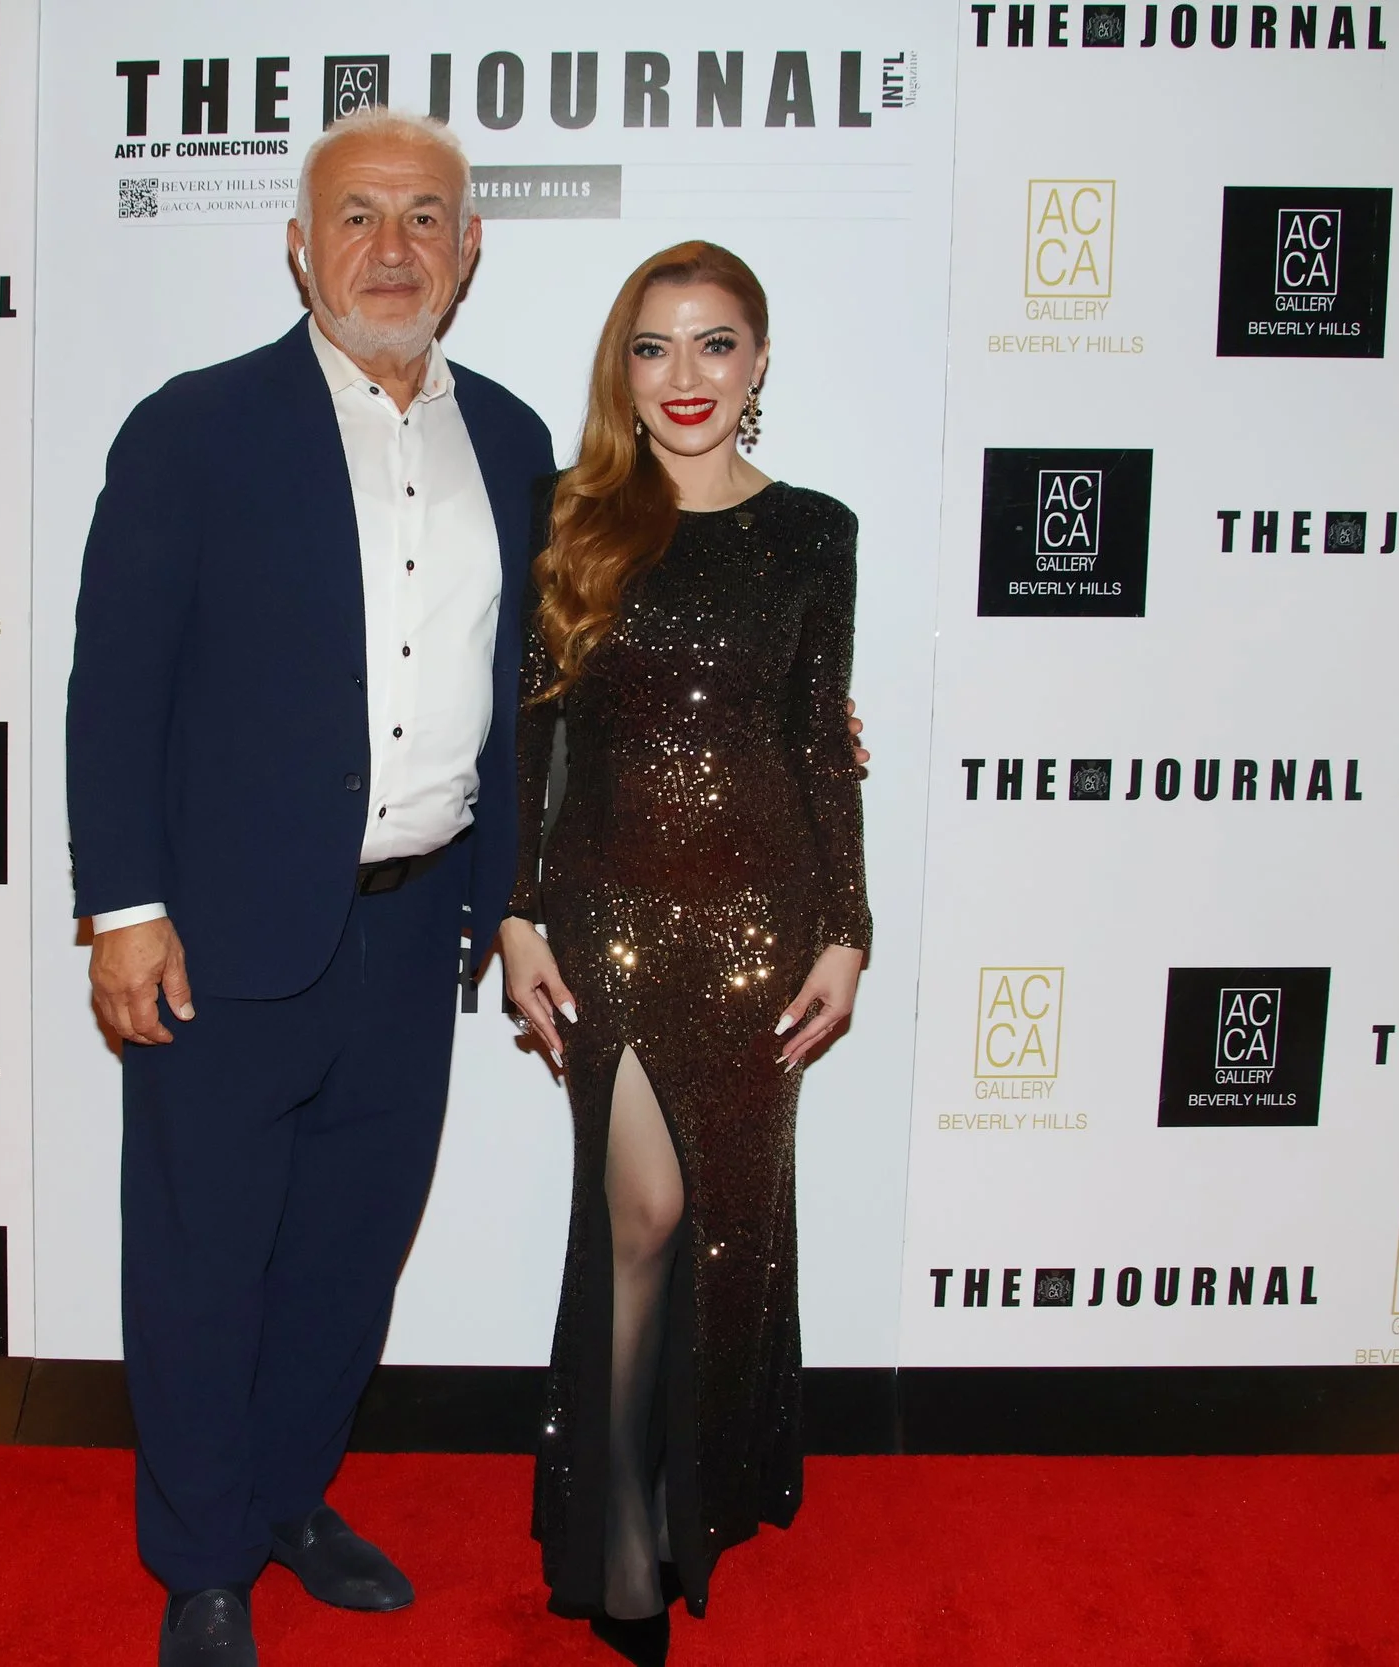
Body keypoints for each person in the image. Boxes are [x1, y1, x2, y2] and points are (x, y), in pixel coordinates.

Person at [64, 107, 554, 1667]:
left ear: (469, 250)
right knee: (202, 1260)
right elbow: (114, 686)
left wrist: (507, 900)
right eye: (357, 216)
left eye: (424, 218)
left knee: (349, 1255)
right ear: (299, 245)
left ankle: (283, 1496)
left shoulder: (516, 443)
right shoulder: (193, 429)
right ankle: (202, 1562)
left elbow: (530, 691)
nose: (391, 248)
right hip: (217, 936)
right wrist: (122, 907)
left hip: (418, 933)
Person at [497, 242, 870, 1665]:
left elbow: (816, 741)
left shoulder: (815, 533)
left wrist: (847, 927)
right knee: (643, 1215)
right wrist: (517, 912)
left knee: (724, 1231)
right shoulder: (570, 519)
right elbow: (529, 733)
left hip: (759, 927)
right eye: (654, 347)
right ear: (624, 367)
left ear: (759, 361)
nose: (686, 376)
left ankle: (670, 1504)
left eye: (716, 344)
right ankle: (621, 1548)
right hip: (611, 917)